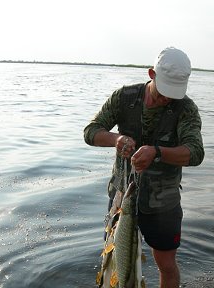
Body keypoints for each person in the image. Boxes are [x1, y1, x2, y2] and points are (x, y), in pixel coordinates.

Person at [84, 47, 204, 288]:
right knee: (114, 260)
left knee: (167, 265)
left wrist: (157, 152)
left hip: (163, 201)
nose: (167, 99)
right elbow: (91, 132)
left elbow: (195, 153)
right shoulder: (124, 97)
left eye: (174, 94)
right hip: (122, 199)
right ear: (152, 74)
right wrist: (116, 139)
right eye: (163, 92)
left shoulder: (186, 109)